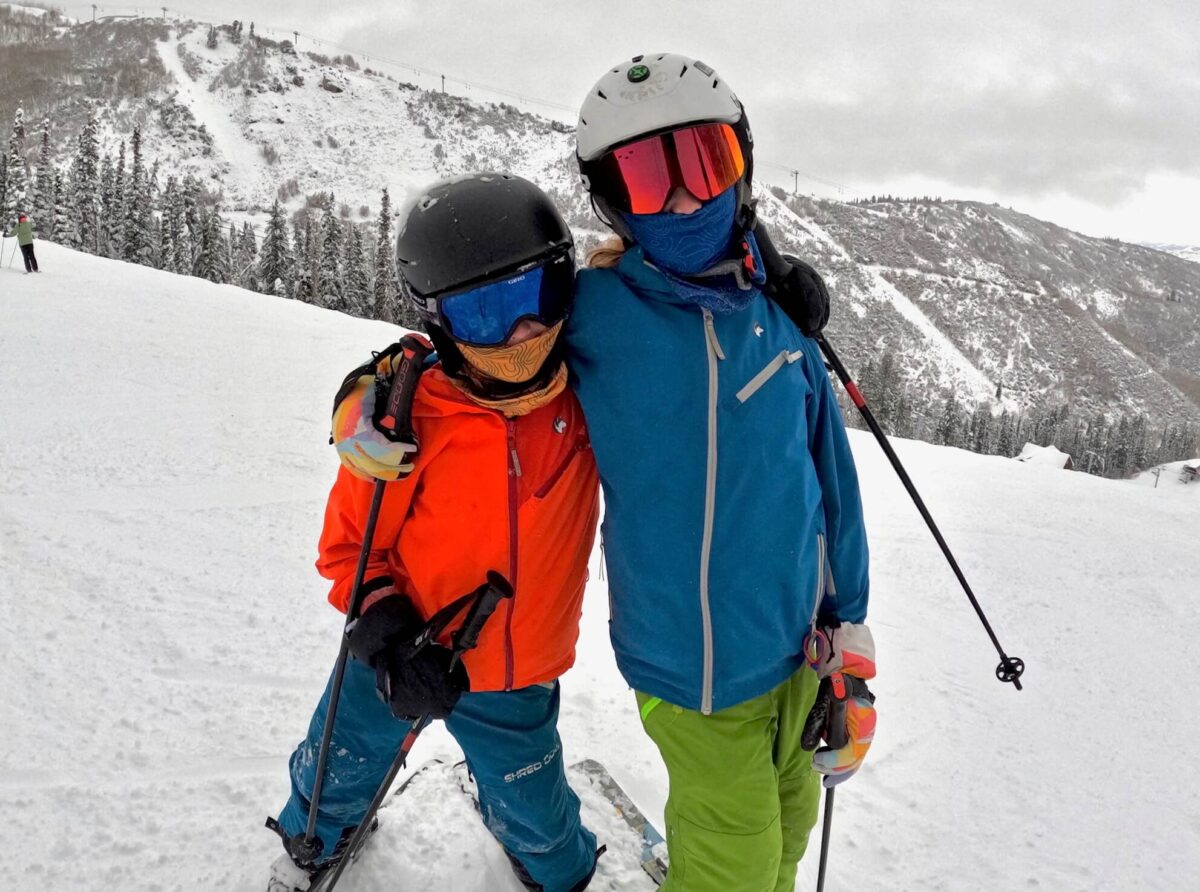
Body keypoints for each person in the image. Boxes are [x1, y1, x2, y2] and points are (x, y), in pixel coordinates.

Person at [566, 54, 877, 891]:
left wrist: (848, 639)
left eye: (703, 164)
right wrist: (379, 388)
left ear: (740, 168)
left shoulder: (779, 320)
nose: (682, 200)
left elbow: (830, 484)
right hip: (690, 667)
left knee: (785, 834)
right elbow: (481, 349)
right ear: (610, 201)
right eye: (645, 177)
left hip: (795, 652)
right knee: (732, 864)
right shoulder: (591, 317)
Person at [267, 174, 602, 892]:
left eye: (536, 299)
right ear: (440, 320)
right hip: (396, 654)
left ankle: (554, 863)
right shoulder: (406, 415)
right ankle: (316, 838)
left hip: (516, 672)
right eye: (484, 314)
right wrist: (388, 640)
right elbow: (349, 548)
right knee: (341, 763)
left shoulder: (590, 389)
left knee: (541, 821)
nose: (520, 337)